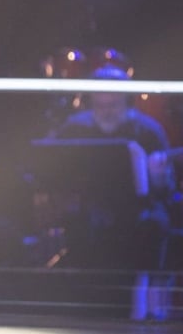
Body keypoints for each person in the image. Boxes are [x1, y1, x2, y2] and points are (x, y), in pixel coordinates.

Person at [49, 64, 175, 318]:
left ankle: (144, 308)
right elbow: (52, 170)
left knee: (154, 225)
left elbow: (167, 188)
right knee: (81, 226)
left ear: (125, 99)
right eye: (101, 104)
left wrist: (158, 174)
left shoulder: (147, 129)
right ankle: (84, 307)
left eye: (114, 104)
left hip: (138, 207)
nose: (107, 111)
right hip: (88, 206)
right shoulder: (74, 128)